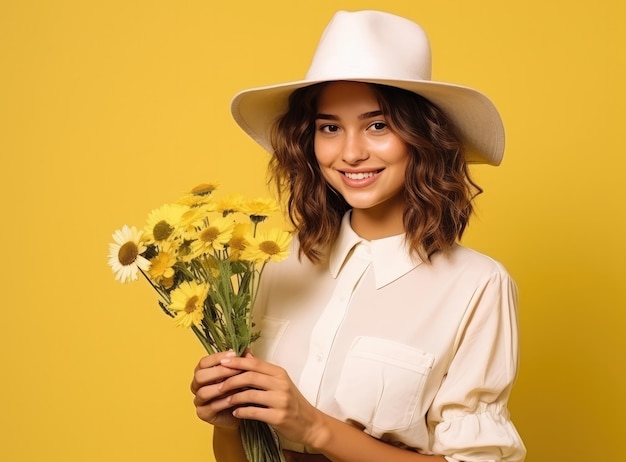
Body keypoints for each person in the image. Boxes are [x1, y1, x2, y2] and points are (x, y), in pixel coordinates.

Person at [190, 10, 526, 462]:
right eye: (330, 127)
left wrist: (315, 427)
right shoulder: (275, 265)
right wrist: (228, 421)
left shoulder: (477, 286)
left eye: (377, 125)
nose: (350, 153)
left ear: (422, 137)